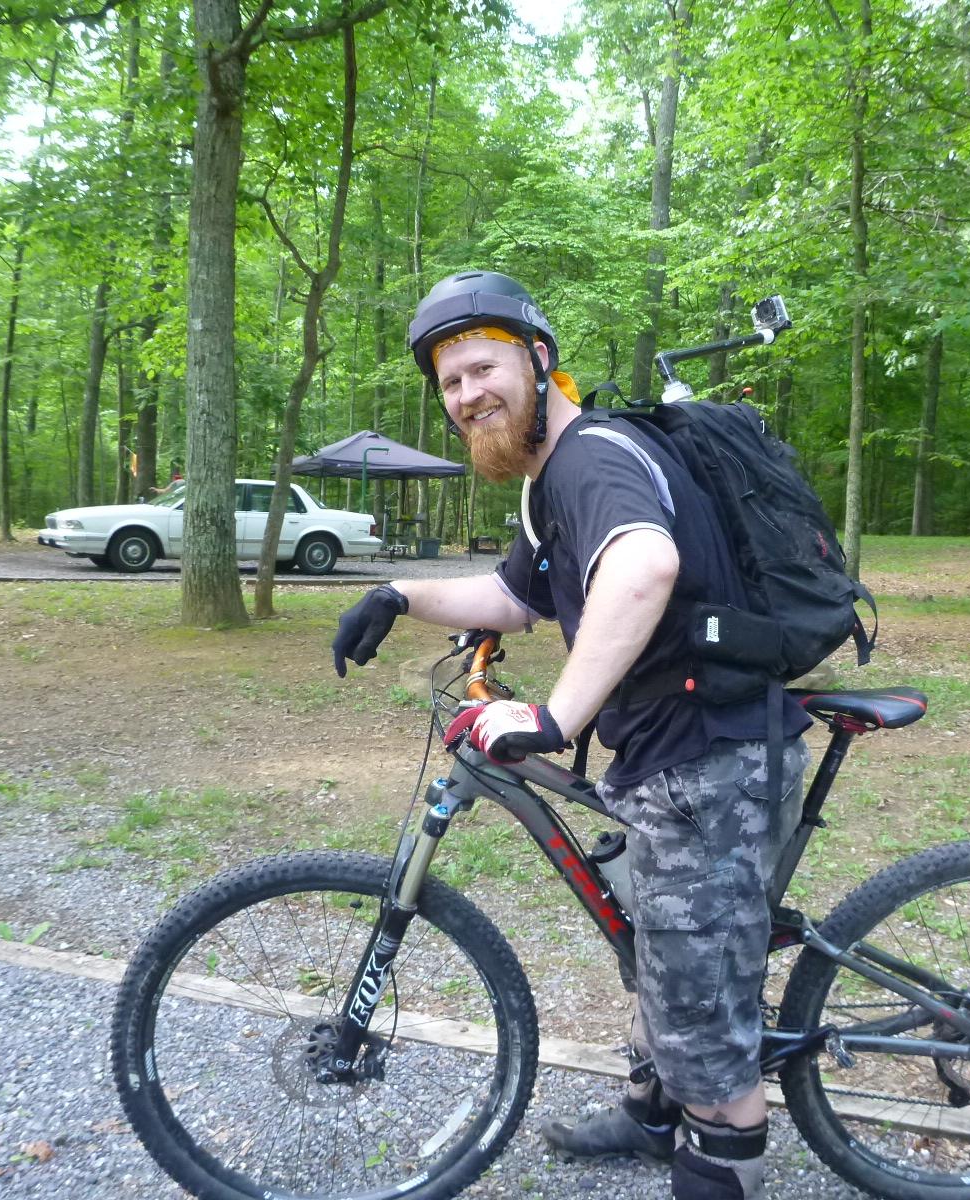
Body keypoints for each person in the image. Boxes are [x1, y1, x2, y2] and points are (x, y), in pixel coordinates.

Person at [331, 270, 811, 1200]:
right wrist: (398, 595)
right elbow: (516, 596)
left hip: (714, 758)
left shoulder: (590, 459)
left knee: (702, 1010)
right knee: (657, 950)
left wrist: (553, 717)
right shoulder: (551, 479)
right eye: (451, 383)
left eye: (482, 368)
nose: (468, 396)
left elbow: (643, 565)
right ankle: (649, 1114)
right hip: (667, 752)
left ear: (538, 360)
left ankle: (719, 1157)